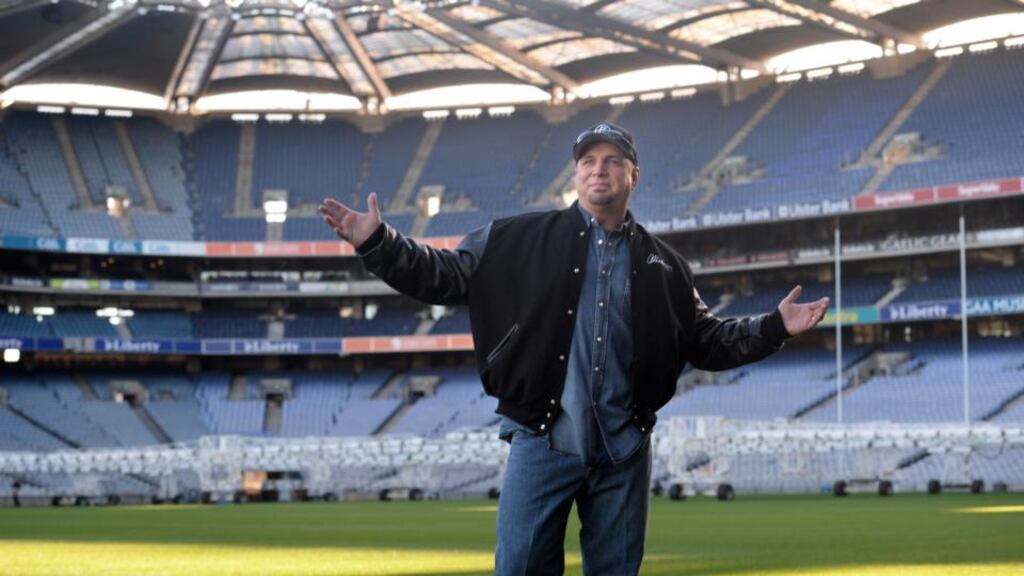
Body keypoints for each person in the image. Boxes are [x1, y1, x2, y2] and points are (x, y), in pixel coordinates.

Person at [320, 121, 830, 575]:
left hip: (624, 447)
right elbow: (444, 275)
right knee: (520, 566)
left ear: (634, 176)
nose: (598, 170)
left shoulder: (666, 265)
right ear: (576, 174)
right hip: (541, 437)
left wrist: (773, 327)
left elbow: (707, 340)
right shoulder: (515, 238)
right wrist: (379, 244)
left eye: (612, 162)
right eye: (588, 161)